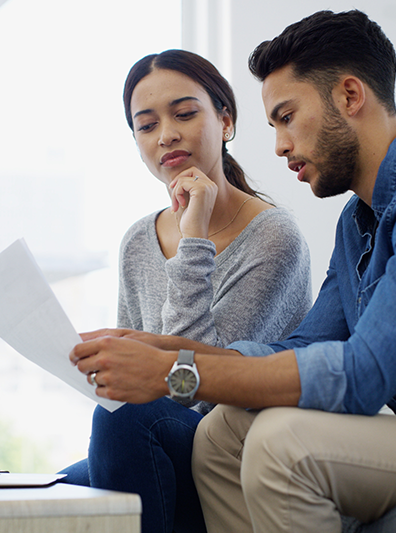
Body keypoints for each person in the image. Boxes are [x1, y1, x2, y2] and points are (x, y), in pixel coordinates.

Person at [71, 10, 396, 532]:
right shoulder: (361, 220)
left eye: (286, 117)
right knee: (222, 431)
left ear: (350, 96)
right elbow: (303, 346)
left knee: (282, 442)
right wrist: (165, 349)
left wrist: (174, 373)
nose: (281, 145)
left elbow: (363, 375)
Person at [57, 49, 312, 533]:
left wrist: (193, 238)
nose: (166, 134)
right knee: (50, 494)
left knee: (125, 422)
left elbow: (194, 385)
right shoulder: (138, 240)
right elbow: (129, 377)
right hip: (151, 441)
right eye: (146, 125)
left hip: (230, 450)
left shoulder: (274, 237)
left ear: (226, 121)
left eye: (184, 114)